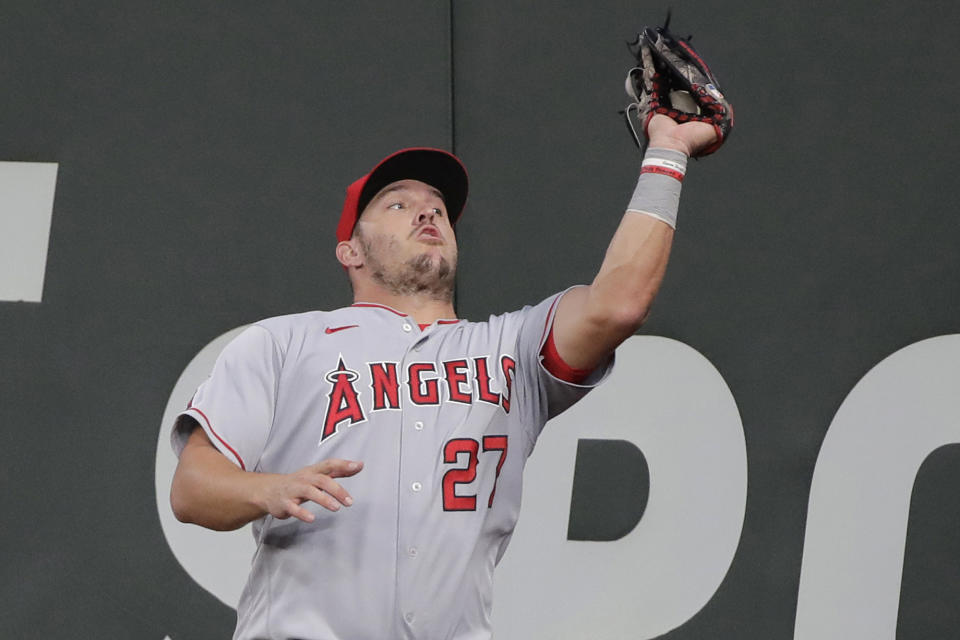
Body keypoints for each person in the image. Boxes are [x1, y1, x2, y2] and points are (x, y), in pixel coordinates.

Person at [170, 113, 719, 639]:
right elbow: (192, 490)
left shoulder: (510, 348)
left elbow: (618, 306)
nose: (428, 214)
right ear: (351, 251)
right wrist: (270, 488)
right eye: (399, 204)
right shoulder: (284, 343)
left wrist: (667, 152)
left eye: (438, 209)